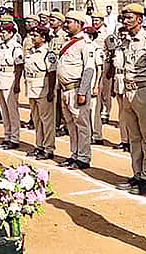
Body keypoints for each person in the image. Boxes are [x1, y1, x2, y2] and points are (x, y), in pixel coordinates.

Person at [114, 3, 146, 195]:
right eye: (124, 18)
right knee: (134, 137)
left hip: (143, 91)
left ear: (139, 20)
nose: (126, 21)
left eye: (130, 18)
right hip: (127, 90)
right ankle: (137, 174)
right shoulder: (124, 41)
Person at [57, 11, 96, 170]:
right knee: (70, 125)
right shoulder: (68, 41)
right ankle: (74, 154)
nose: (66, 24)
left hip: (76, 88)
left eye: (70, 22)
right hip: (65, 89)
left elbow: (89, 69)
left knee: (82, 124)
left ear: (80, 24)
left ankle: (83, 157)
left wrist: (82, 92)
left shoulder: (85, 44)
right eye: (66, 22)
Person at [24, 25, 57, 160]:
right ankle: (39, 146)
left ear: (43, 38)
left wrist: (50, 91)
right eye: (32, 35)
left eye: (35, 35)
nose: (32, 38)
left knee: (47, 121)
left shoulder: (48, 53)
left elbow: (52, 73)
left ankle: (48, 148)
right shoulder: (31, 52)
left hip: (43, 89)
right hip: (32, 88)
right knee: (37, 120)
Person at [0, 22, 24, 149]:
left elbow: (19, 66)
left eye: (4, 32)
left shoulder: (15, 47)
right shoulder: (0, 47)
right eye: (1, 32)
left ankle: (15, 138)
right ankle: (7, 135)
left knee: (12, 111)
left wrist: (17, 83)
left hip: (9, 79)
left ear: (11, 33)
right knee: (3, 111)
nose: (1, 34)